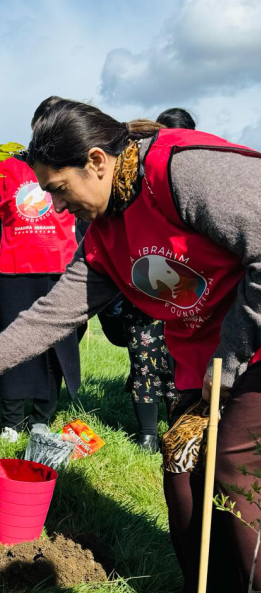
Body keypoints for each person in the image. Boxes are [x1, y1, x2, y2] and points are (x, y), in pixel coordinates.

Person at [0, 99, 261, 593]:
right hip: (203, 363)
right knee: (183, 482)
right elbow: (52, 314)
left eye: (57, 190)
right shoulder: (104, 231)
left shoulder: (180, 171)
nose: (55, 205)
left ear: (97, 161)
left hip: (252, 350)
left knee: (235, 480)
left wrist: (228, 367)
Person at [93, 107, 198, 453]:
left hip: (186, 292)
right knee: (145, 356)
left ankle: (179, 428)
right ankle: (148, 434)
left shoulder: (190, 175)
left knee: (179, 364)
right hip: (144, 290)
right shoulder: (137, 181)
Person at [0, 101, 81, 442]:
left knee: (55, 344)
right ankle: (11, 420)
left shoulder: (75, 166)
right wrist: (20, 245)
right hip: (15, 272)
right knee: (13, 343)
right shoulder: (4, 169)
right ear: (34, 125)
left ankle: (43, 415)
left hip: (61, 271)